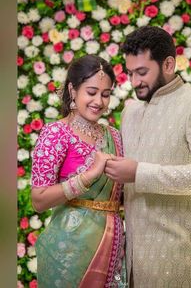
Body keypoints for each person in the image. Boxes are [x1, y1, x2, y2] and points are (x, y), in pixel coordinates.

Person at [105, 26, 191, 288]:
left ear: (168, 63)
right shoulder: (130, 111)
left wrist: (138, 173)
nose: (134, 82)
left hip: (176, 254)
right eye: (130, 73)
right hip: (131, 256)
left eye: (142, 72)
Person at [31, 55, 126, 287]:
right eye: (91, 92)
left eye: (105, 94)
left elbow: (117, 196)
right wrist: (89, 176)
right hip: (69, 253)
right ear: (73, 90)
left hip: (113, 246)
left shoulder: (113, 135)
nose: (99, 102)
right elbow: (39, 200)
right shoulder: (56, 133)